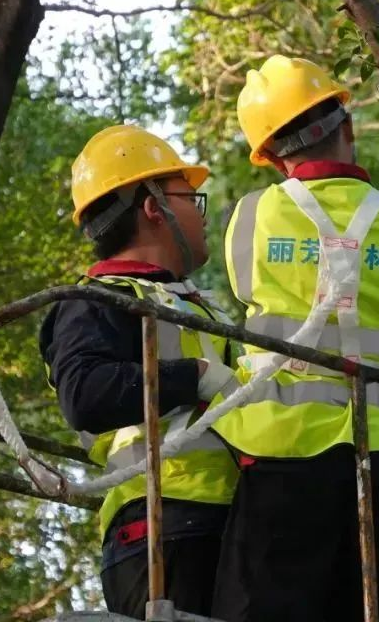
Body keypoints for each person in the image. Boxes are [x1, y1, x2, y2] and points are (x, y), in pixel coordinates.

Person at [209, 55, 379, 622]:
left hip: (280, 455)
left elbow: (247, 287)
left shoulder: (251, 217)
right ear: (346, 128)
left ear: (273, 155)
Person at [40, 125, 239, 620]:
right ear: (155, 207)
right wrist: (193, 375)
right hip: (162, 530)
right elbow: (85, 392)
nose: (201, 213)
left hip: (225, 523)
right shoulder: (96, 301)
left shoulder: (197, 307)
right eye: (191, 198)